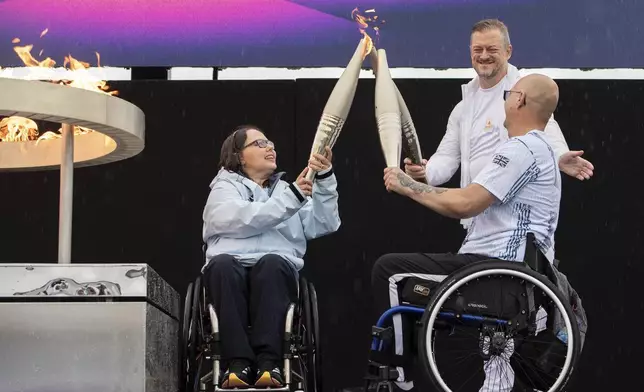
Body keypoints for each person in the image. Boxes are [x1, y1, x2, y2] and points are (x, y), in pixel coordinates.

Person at [374, 74, 562, 391]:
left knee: (390, 272)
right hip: (509, 279)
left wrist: (407, 186)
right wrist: (424, 176)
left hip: (498, 276)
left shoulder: (523, 149)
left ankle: (398, 381)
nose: (504, 99)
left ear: (519, 100)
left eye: (509, 93)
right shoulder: (535, 150)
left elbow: (465, 203)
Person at [404, 18, 594, 229]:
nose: (484, 56)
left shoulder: (522, 93)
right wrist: (425, 172)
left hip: (515, 223)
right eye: (478, 49)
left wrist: (559, 156)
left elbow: (546, 126)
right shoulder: (463, 108)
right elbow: (447, 157)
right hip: (477, 224)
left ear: (508, 51)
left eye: (491, 49)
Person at [201, 125, 341, 388]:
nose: (271, 148)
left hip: (276, 267)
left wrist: (324, 179)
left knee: (272, 264)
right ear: (239, 156)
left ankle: (270, 363)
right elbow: (242, 219)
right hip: (229, 265)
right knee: (222, 266)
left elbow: (324, 223)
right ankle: (238, 363)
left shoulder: (286, 190)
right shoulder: (223, 189)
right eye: (260, 143)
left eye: (271, 143)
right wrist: (293, 197)